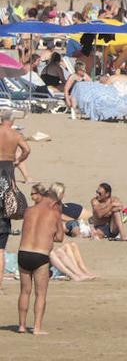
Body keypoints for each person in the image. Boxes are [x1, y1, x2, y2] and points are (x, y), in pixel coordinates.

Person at [16, 181, 64, 335]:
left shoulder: (29, 211)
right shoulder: (55, 213)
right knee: (40, 293)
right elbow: (60, 237)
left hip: (23, 252)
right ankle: (36, 328)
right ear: (54, 201)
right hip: (40, 255)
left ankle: (22, 326)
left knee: (24, 291)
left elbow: (27, 231)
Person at [0, 107, 31, 288]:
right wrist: (18, 161)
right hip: (8, 173)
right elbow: (27, 149)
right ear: (11, 121)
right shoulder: (15, 135)